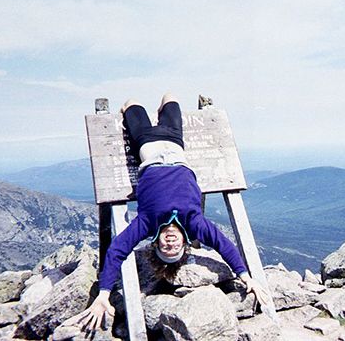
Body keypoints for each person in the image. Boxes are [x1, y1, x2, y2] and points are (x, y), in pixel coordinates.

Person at [75, 93, 269, 331]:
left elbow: (117, 250)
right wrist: (246, 277)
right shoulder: (193, 223)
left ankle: (137, 110)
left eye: (164, 248)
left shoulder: (147, 223)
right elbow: (224, 245)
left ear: (155, 243)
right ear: (184, 244)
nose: (170, 243)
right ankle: (160, 111)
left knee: (131, 103)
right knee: (170, 97)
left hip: (147, 145)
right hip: (175, 145)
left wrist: (104, 294)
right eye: (174, 249)